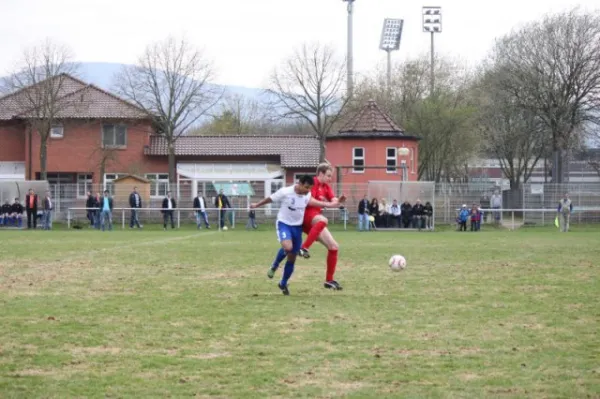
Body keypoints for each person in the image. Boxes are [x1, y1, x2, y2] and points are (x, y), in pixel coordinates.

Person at [272, 163, 346, 290]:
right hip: (306, 216)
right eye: (328, 176)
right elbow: (309, 200)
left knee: (333, 247)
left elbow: (333, 199)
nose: (330, 178)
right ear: (321, 174)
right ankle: (304, 248)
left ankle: (329, 280)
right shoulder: (312, 183)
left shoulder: (326, 186)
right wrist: (329, 204)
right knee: (323, 220)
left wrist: (337, 201)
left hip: (315, 220)